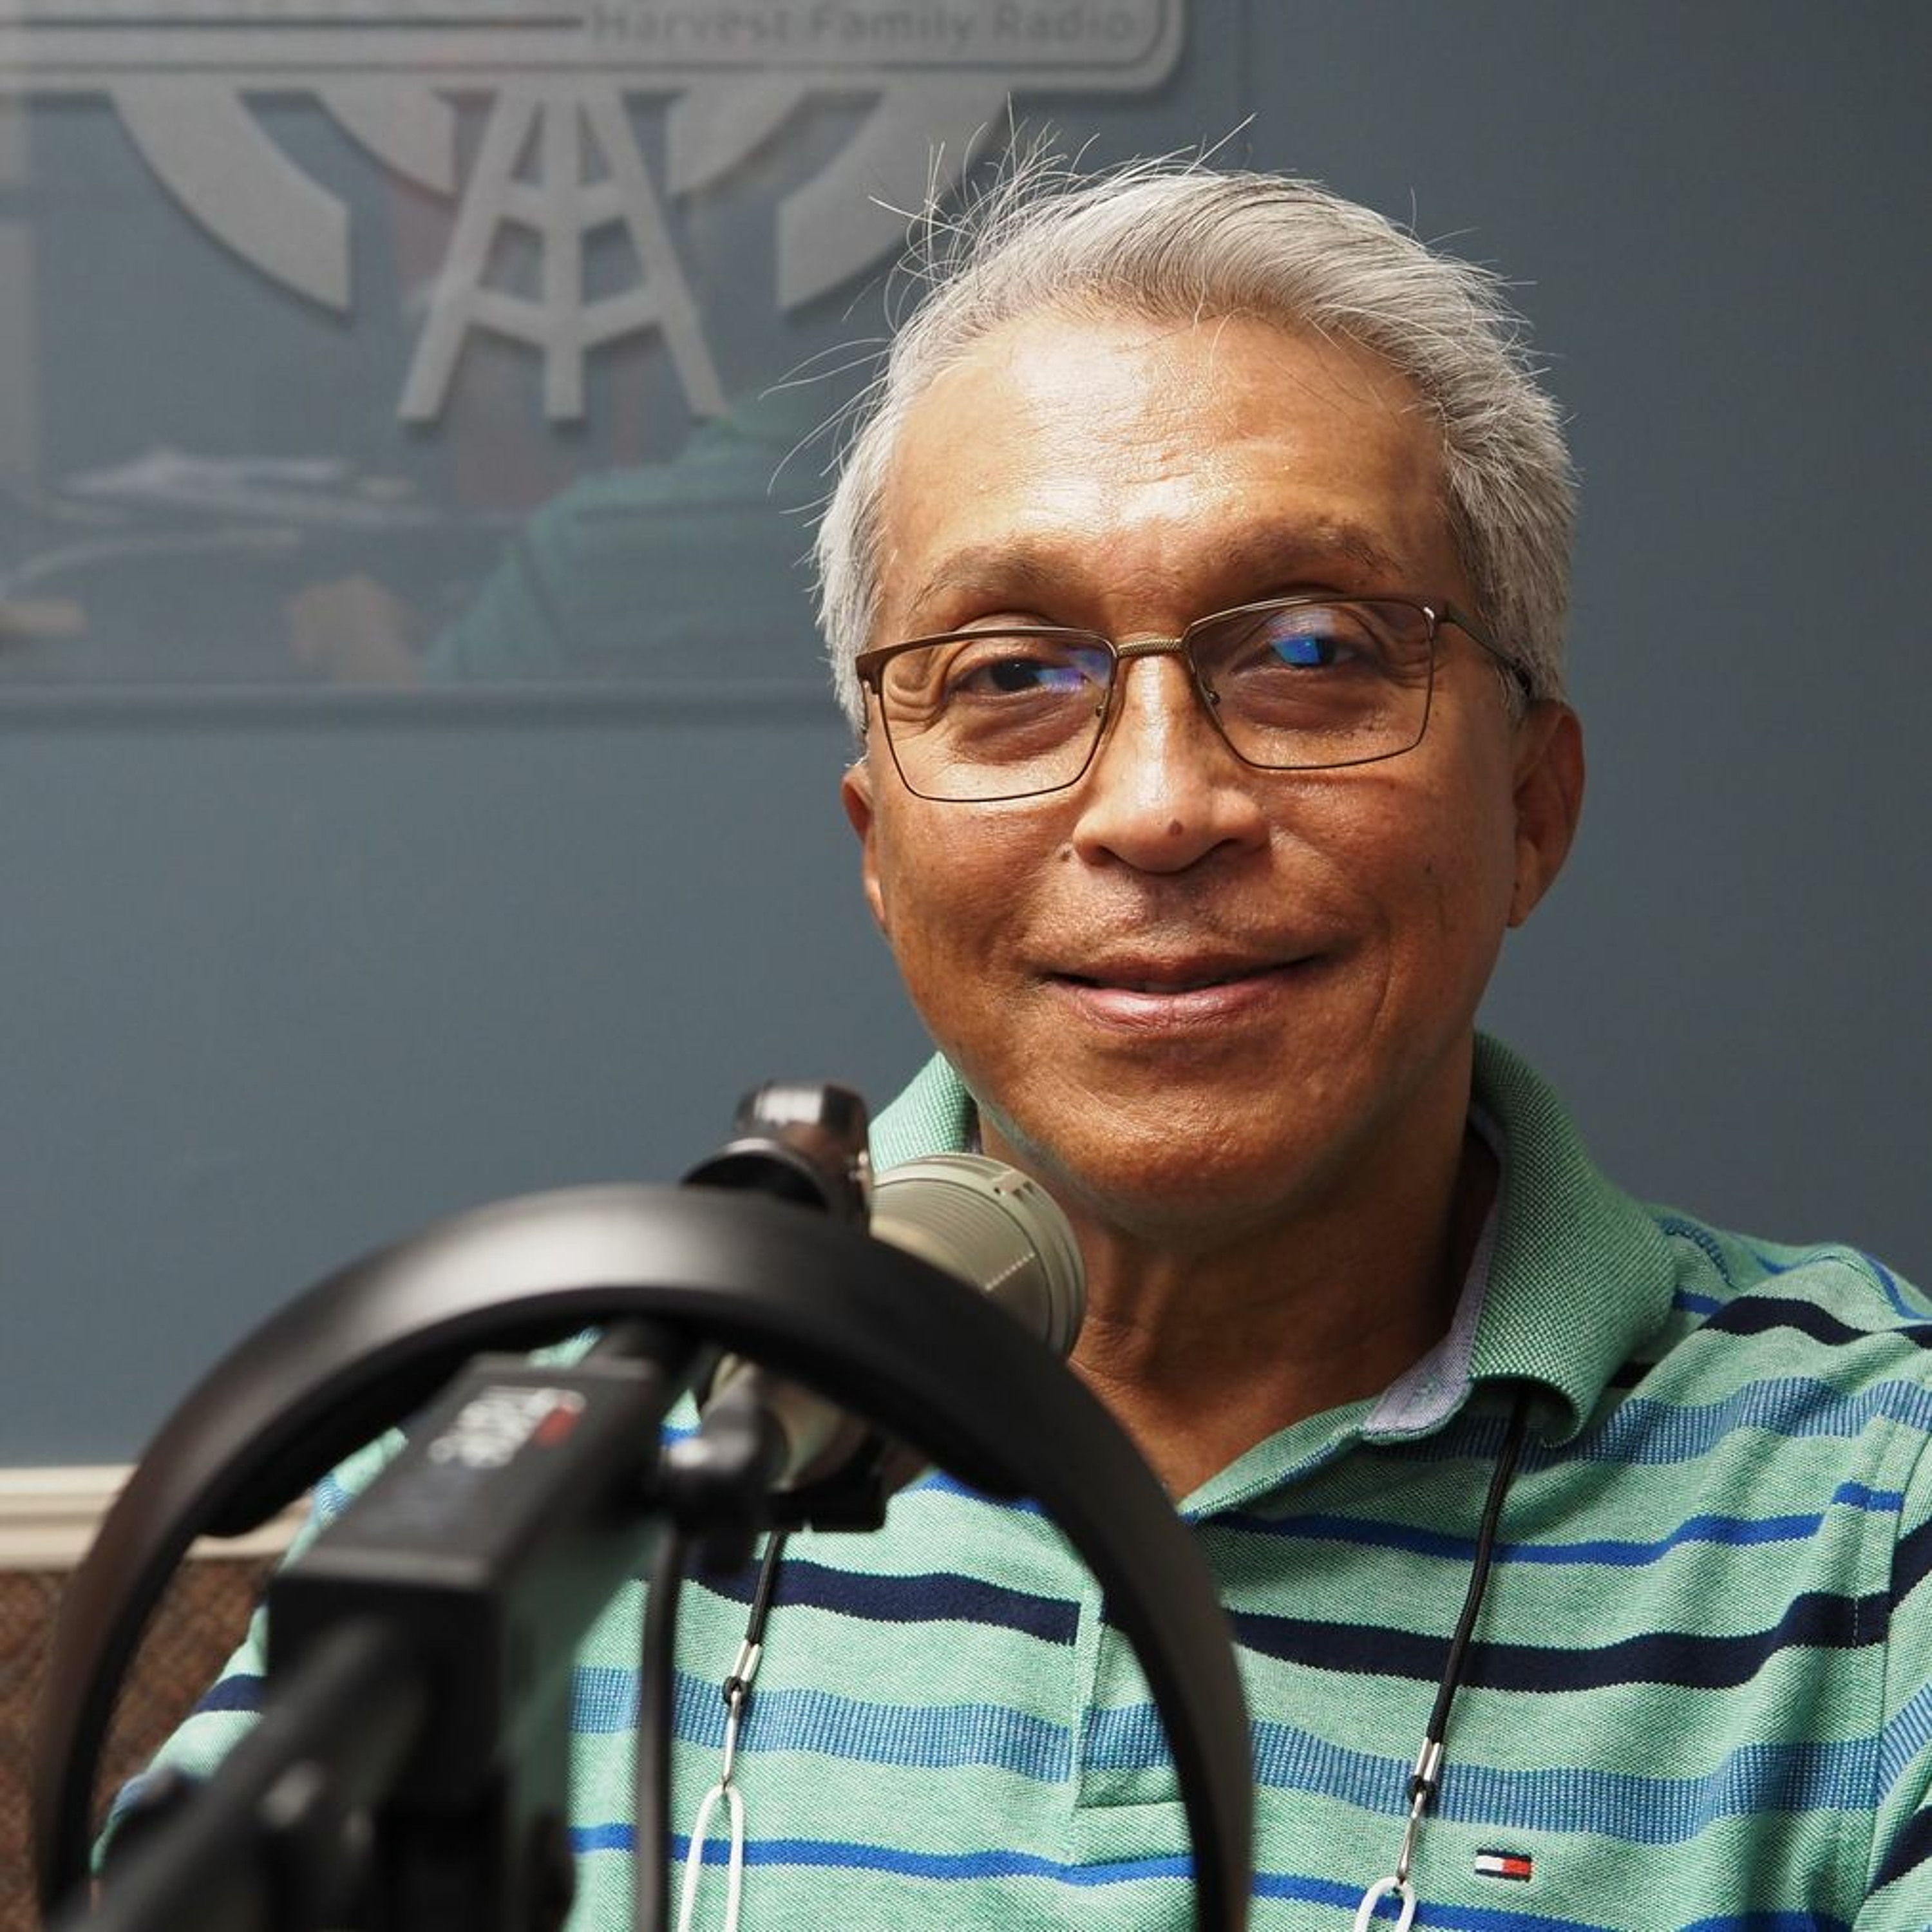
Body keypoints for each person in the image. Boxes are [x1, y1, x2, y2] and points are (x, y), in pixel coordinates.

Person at [120, 156, 1931, 1929]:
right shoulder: (532, 1478)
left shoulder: (1876, 1504)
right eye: (1007, 676)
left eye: (1313, 650)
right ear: (879, 852)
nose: (1159, 807)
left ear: (1532, 808)